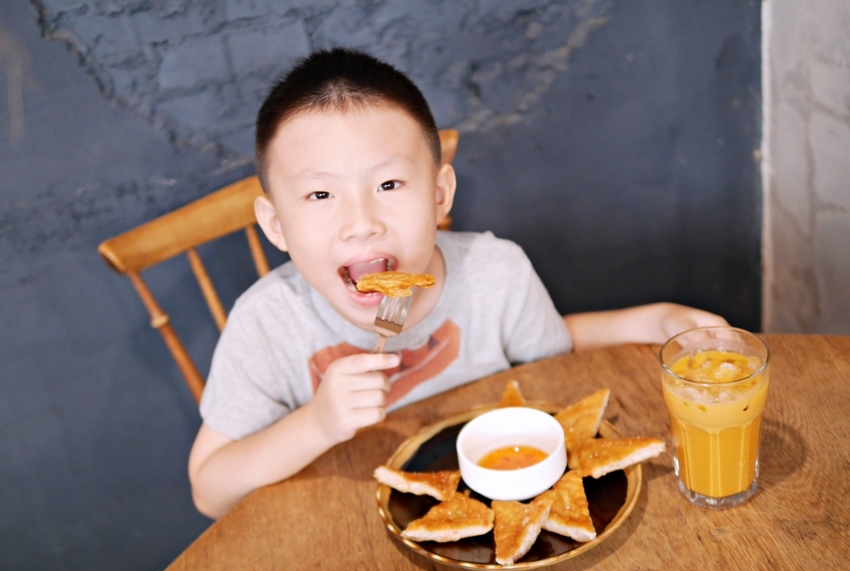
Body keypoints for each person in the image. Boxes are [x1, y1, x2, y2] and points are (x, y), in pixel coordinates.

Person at [188, 48, 727, 519]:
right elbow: (209, 492)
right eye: (321, 196)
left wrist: (658, 320)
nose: (361, 222)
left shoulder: (496, 273)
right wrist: (318, 424)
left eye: (389, 183)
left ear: (440, 193)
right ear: (276, 224)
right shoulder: (265, 322)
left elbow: (554, 345)